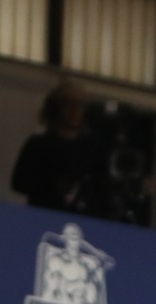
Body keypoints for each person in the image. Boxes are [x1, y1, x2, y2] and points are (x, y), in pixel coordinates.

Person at [9, 80, 100, 211]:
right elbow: (18, 182)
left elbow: (101, 187)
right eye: (68, 104)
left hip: (81, 217)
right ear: (56, 107)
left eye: (80, 104)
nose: (75, 110)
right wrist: (52, 185)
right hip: (44, 213)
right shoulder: (38, 144)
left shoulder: (93, 148)